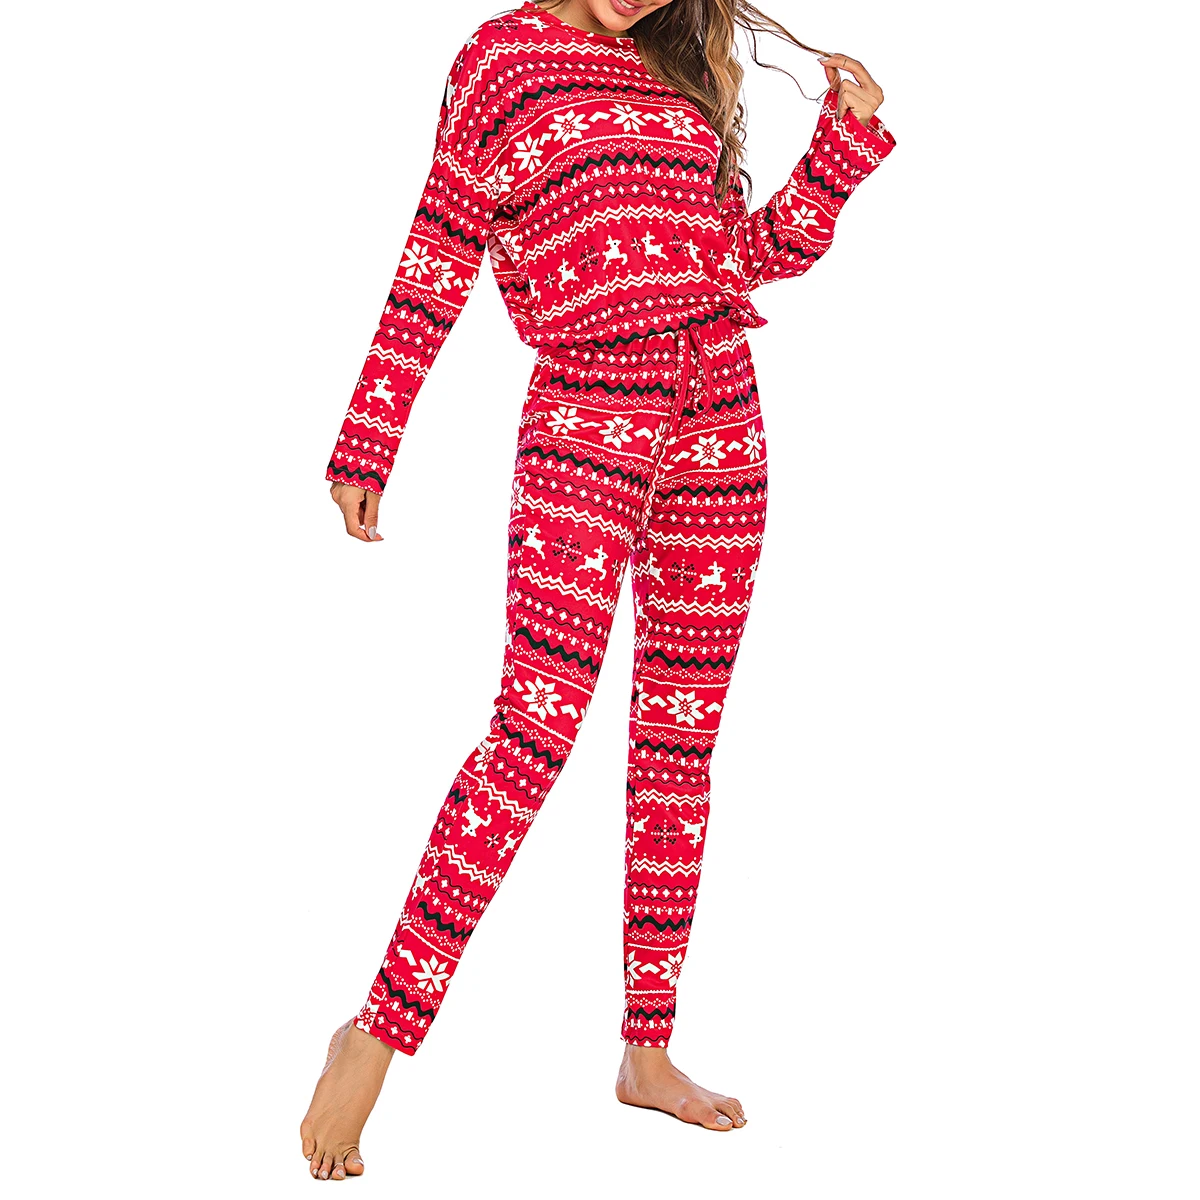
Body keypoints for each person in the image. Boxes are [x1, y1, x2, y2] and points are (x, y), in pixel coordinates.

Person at [304, 0, 895, 1177]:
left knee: (679, 748)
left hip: (724, 418)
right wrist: (372, 434)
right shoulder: (503, 60)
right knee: (530, 737)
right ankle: (377, 1031)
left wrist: (840, 149)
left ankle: (648, 1051)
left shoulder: (677, 74)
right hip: (586, 416)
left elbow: (744, 260)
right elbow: (436, 255)